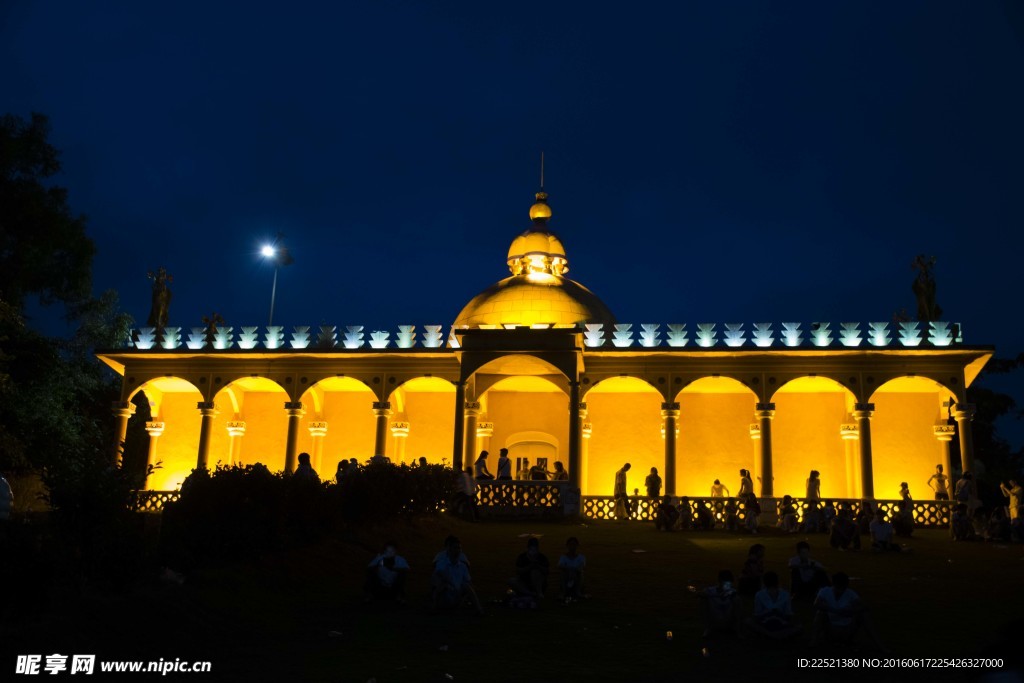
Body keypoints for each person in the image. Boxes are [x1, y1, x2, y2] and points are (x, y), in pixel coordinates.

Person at [811, 572, 885, 649]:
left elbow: (864, 606)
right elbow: (816, 604)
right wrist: (835, 610)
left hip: (846, 629)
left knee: (863, 615)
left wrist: (850, 611)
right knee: (820, 613)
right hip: (831, 629)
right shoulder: (825, 591)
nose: (841, 590)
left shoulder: (850, 594)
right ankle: (813, 641)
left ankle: (879, 645)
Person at [432, 536, 484, 615]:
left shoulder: (462, 566)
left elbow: (468, 582)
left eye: (459, 548)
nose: (458, 551)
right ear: (449, 549)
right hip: (445, 595)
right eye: (455, 548)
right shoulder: (442, 563)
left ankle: (479, 609)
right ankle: (435, 607)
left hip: (457, 594)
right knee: (442, 584)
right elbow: (439, 575)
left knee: (467, 586)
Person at [747, 571, 801, 639]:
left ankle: (769, 635)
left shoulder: (759, 594)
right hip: (781, 623)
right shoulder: (785, 594)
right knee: (798, 626)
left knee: (749, 622)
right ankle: (777, 635)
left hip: (766, 623)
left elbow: (758, 614)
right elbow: (788, 614)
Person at [698, 570, 742, 638]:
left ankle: (736, 629)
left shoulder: (733, 592)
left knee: (737, 600)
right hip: (714, 621)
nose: (728, 586)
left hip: (728, 622)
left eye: (729, 584)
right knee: (703, 599)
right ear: (720, 581)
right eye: (726, 584)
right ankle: (707, 628)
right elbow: (702, 593)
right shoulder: (710, 591)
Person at [509, 537, 550, 602]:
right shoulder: (522, 557)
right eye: (531, 549)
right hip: (524, 583)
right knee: (511, 581)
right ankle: (531, 594)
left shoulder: (542, 557)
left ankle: (538, 592)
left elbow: (547, 571)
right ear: (528, 549)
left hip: (539, 584)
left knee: (535, 572)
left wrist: (537, 566)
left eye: (535, 549)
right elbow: (518, 571)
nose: (533, 552)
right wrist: (529, 567)